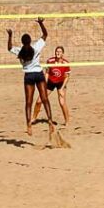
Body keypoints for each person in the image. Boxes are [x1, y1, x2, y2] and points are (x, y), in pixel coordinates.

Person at [7, 19, 66, 147]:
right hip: (38, 74)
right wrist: (40, 23)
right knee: (45, 99)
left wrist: (10, 35)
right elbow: (45, 35)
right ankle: (50, 122)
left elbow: (9, 48)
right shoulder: (35, 47)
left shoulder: (20, 51)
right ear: (30, 41)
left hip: (28, 76)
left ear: (23, 42)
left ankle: (28, 124)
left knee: (28, 102)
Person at [32, 45, 71, 126]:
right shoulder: (50, 61)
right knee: (39, 101)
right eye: (57, 51)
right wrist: (44, 84)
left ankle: (67, 121)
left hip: (61, 83)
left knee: (62, 102)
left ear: (63, 54)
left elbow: (67, 77)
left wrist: (62, 89)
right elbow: (47, 73)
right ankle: (33, 118)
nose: (58, 53)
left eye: (60, 52)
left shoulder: (65, 63)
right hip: (51, 82)